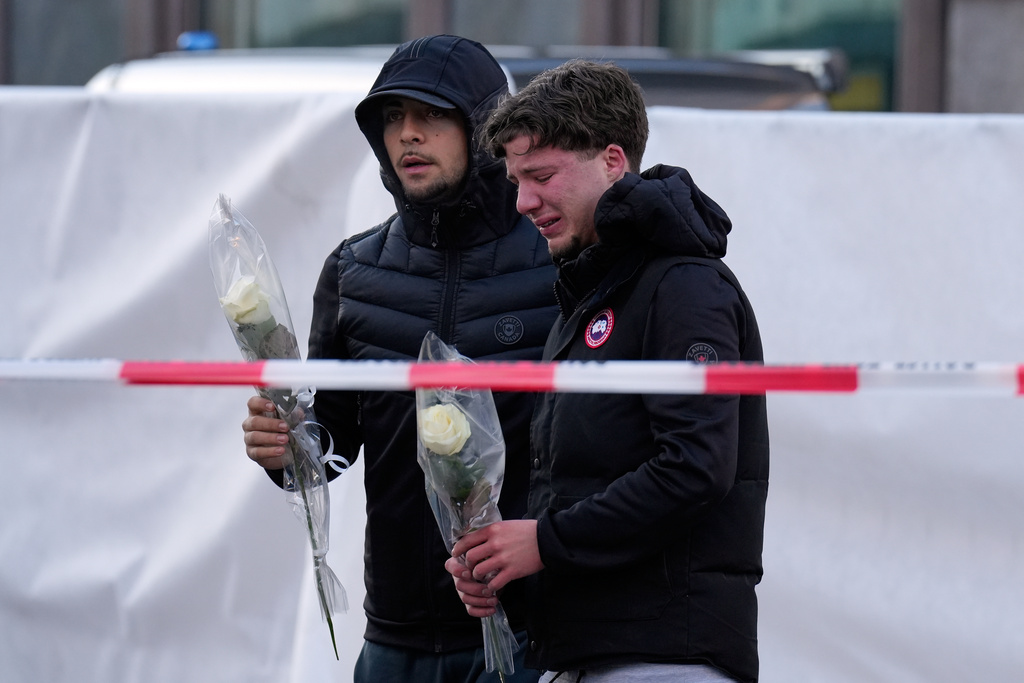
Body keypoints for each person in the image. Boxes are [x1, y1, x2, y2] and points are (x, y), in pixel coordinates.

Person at [242, 35, 557, 683]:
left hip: (532, 632)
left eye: (432, 114)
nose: (408, 133)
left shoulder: (558, 264)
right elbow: (332, 445)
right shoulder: (352, 272)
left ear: (485, 127)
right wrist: (285, 448)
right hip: (394, 638)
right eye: (392, 117)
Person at [446, 60, 770, 683]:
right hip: (587, 654)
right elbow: (582, 483)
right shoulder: (593, 294)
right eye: (515, 181)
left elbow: (696, 466)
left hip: (665, 659)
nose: (523, 202)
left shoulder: (684, 284)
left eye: (542, 176)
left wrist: (543, 542)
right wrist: (504, 561)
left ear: (613, 161)